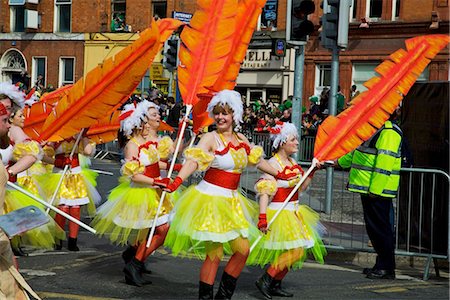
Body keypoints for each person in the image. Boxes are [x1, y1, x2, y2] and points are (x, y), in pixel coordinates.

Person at [159, 90, 298, 299]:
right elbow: (193, 161)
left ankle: (223, 296)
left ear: (235, 115)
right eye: (217, 113)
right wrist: (177, 181)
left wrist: (282, 173)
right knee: (214, 255)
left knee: (243, 250)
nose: (220, 118)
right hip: (211, 199)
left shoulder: (241, 138)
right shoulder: (210, 138)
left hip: (232, 202)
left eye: (225, 113)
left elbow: (258, 161)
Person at [92, 100, 173, 286]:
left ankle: (133, 257)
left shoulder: (147, 142)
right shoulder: (132, 145)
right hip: (142, 192)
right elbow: (134, 175)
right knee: (162, 230)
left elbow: (155, 164)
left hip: (155, 191)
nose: (147, 125)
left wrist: (175, 166)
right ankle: (134, 263)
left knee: (151, 231)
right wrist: (156, 181)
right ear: (136, 124)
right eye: (144, 122)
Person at [248, 122, 326, 299]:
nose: (297, 142)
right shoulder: (272, 164)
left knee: (296, 253)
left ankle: (275, 283)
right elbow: (264, 192)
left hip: (295, 211)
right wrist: (262, 217)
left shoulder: (293, 163)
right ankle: (266, 279)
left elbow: (301, 188)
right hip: (279, 213)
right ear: (282, 142)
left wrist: (312, 171)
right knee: (295, 251)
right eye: (293, 139)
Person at [334, 110, 402, 279]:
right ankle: (382, 265)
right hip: (370, 191)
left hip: (377, 192)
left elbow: (384, 164)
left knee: (381, 230)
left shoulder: (389, 132)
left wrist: (375, 191)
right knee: (375, 230)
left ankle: (386, 268)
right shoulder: (373, 130)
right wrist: (338, 163)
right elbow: (357, 152)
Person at [0, 100, 41, 299]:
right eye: (5, 114)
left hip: (5, 196)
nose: (10, 121)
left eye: (9, 108)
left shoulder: (10, 132)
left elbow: (33, 153)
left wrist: (10, 172)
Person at [41, 132, 100, 251]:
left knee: (75, 209)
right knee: (62, 208)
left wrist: (83, 136)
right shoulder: (55, 136)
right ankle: (59, 238)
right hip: (59, 174)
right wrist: (57, 162)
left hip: (75, 176)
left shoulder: (78, 136)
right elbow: (43, 157)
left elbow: (88, 152)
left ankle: (73, 240)